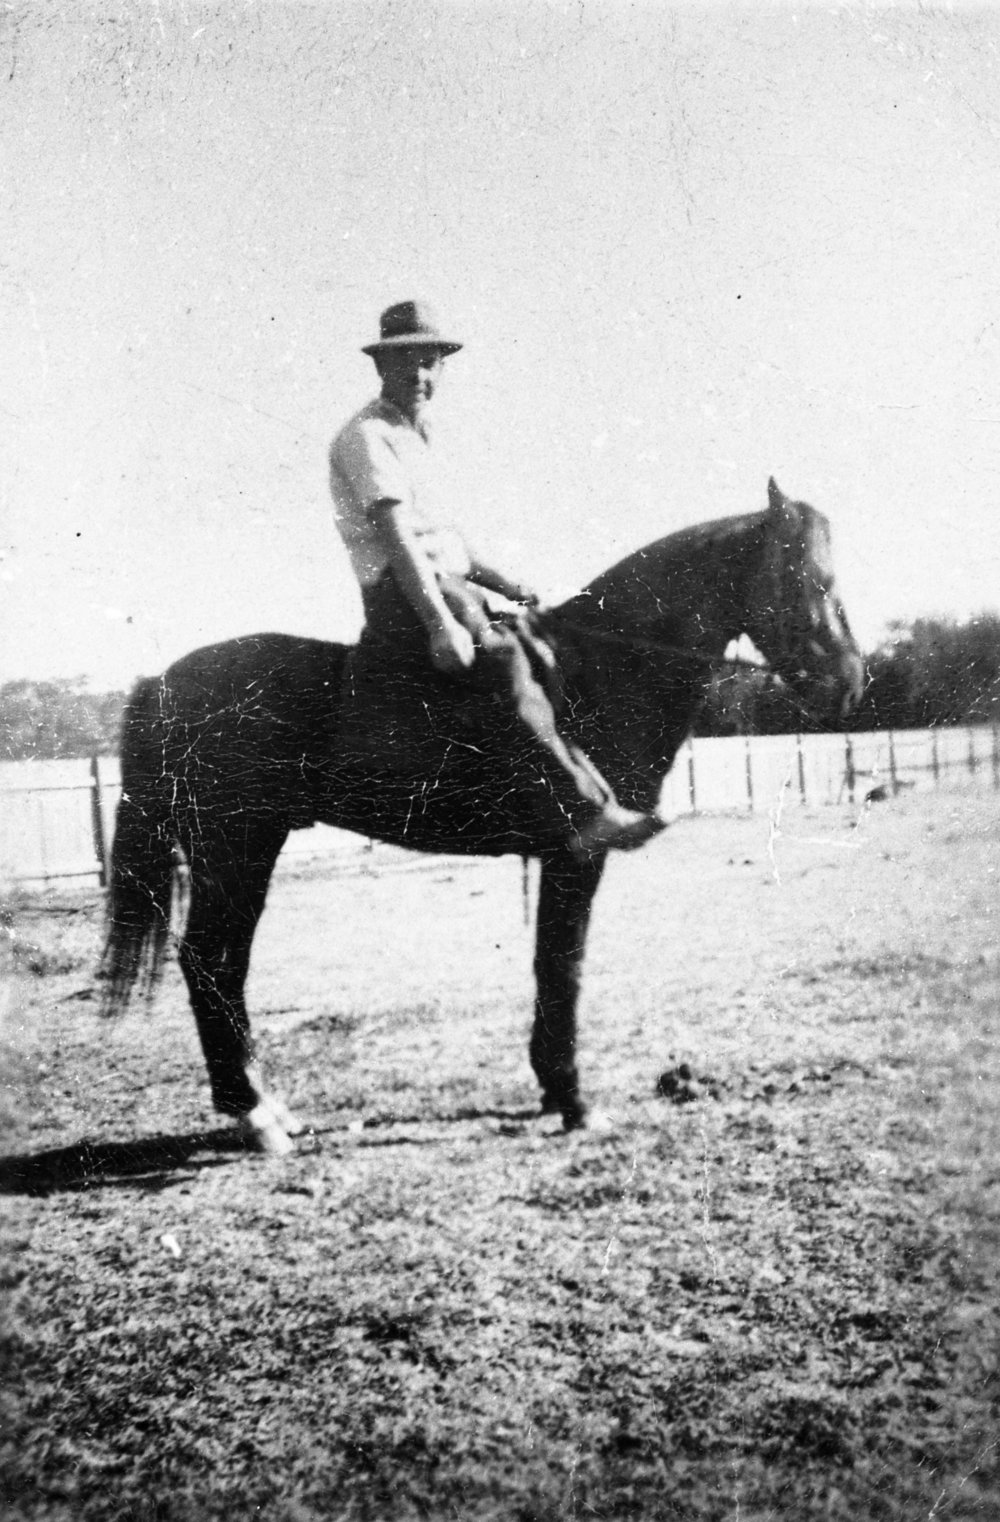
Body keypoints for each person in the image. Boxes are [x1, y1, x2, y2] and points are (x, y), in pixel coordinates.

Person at [328, 299, 663, 857]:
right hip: (403, 591)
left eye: (430, 362)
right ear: (381, 366)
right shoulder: (366, 436)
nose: (420, 374)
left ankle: (572, 794)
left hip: (448, 584)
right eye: (406, 361)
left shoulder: (421, 437)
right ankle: (583, 814)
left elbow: (452, 543)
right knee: (501, 657)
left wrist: (508, 586)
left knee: (543, 647)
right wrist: (439, 623)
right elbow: (400, 540)